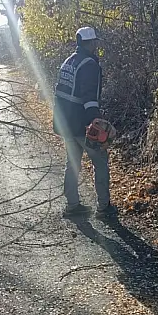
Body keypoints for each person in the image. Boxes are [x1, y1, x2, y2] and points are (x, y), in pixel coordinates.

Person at [53, 27, 117, 218]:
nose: (96, 45)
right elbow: (89, 96)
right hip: (82, 124)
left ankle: (72, 205)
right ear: (90, 44)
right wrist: (95, 122)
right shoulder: (89, 65)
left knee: (72, 163)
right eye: (94, 42)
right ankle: (104, 208)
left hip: (66, 123)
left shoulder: (68, 61)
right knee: (100, 162)